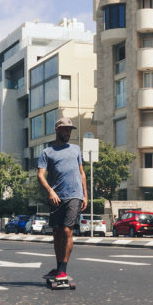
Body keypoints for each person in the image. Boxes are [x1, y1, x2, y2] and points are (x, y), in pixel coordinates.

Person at [37, 118, 88, 281]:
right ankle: (58, 267)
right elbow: (40, 175)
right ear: (57, 130)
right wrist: (50, 191)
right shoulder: (47, 152)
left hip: (74, 195)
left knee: (67, 230)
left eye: (69, 130)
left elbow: (82, 173)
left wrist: (85, 195)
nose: (67, 133)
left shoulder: (76, 149)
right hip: (57, 197)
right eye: (65, 130)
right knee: (57, 232)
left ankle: (63, 270)